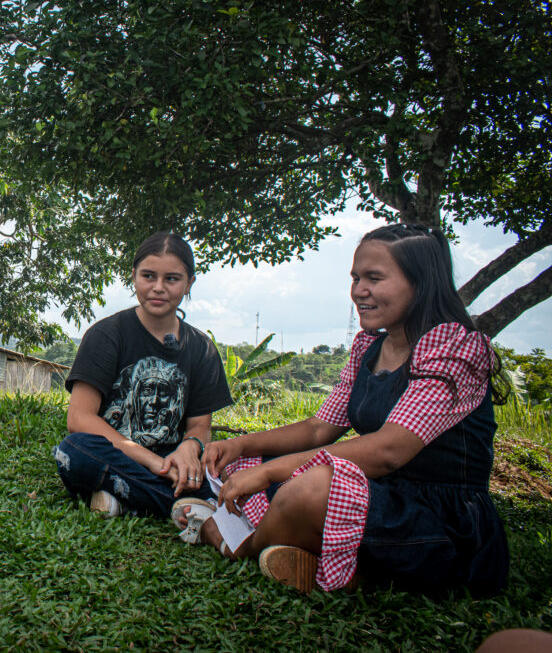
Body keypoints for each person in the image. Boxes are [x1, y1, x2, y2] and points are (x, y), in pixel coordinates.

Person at [200, 224, 510, 597]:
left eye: (374, 278)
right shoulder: (369, 348)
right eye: (356, 277)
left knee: (309, 490)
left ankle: (237, 543)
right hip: (379, 494)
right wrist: (244, 446)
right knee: (247, 463)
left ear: (421, 283)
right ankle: (350, 571)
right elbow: (319, 428)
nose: (359, 290)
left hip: (439, 522)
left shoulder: (454, 348)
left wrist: (270, 472)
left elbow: (387, 450)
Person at [53, 232, 232, 523]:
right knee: (73, 450)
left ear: (189, 283)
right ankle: (189, 506)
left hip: (173, 458)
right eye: (148, 276)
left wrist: (189, 448)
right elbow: (79, 419)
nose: (158, 288)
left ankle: (126, 498)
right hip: (117, 452)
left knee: (231, 464)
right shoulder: (106, 335)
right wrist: (156, 464)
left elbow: (200, 426)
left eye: (172, 279)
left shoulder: (201, 347)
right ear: (133, 277)